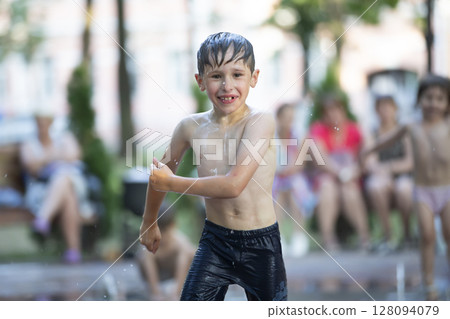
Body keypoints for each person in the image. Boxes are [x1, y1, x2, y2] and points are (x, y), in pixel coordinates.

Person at [139, 32, 287, 301]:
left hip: (261, 244)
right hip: (216, 241)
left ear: (254, 78)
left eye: (237, 75)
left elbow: (234, 185)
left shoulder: (260, 122)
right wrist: (149, 222)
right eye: (216, 76)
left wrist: (173, 183)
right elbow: (158, 176)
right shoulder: (189, 127)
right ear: (200, 81)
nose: (227, 85)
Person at [362, 74, 450, 301]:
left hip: (446, 190)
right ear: (419, 99)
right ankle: (428, 281)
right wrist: (369, 151)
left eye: (440, 99)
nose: (433, 103)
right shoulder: (412, 126)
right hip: (423, 191)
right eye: (428, 98)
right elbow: (388, 140)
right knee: (428, 236)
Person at [20, 113, 94, 264]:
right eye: (38, 122)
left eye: (44, 122)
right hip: (42, 191)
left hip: (73, 184)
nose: (41, 126)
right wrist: (57, 156)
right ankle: (74, 251)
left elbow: (74, 156)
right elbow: (31, 166)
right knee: (68, 195)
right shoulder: (29, 143)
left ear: (51, 122)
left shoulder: (64, 137)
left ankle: (43, 218)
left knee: (64, 178)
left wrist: (45, 159)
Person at [309, 94, 370, 251]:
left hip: (352, 178)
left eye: (335, 110)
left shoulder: (355, 129)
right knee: (327, 187)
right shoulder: (318, 131)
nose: (332, 115)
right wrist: (342, 174)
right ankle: (328, 239)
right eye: (328, 112)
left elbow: (367, 157)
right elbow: (321, 160)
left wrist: (353, 173)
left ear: (342, 111)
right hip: (329, 177)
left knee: (349, 190)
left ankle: (364, 237)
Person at [364, 96, 414, 253]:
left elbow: (409, 162)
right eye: (381, 108)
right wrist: (385, 174)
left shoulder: (404, 131)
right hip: (382, 177)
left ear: (395, 109)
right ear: (377, 111)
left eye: (388, 107)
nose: (385, 111)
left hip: (403, 177)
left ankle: (407, 234)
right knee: (375, 186)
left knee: (404, 189)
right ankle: (389, 236)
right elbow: (369, 162)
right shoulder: (372, 133)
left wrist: (389, 169)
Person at [272, 103, 316, 257]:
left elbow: (300, 164)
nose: (289, 121)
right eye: (286, 118)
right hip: (275, 178)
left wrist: (286, 171)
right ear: (278, 118)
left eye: (291, 118)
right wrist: (281, 171)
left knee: (294, 188)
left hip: (293, 177)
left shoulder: (299, 135)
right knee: (279, 191)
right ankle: (279, 237)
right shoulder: (270, 136)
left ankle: (299, 236)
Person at [137, 203, 195, 300]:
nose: (161, 237)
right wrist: (156, 293)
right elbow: (146, 258)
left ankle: (178, 289)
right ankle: (156, 290)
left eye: (164, 232)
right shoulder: (149, 242)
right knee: (143, 253)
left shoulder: (180, 241)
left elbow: (187, 255)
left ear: (173, 225)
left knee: (190, 252)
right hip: (158, 278)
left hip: (175, 278)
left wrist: (176, 292)